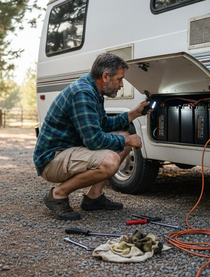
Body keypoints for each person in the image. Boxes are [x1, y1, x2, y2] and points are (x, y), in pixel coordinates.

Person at [33, 53, 151, 220]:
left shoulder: (93, 91)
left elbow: (103, 125)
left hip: (67, 151)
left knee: (123, 137)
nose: (121, 85)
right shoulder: (82, 93)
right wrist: (127, 139)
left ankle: (93, 197)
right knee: (110, 160)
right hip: (52, 159)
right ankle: (57, 195)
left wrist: (133, 114)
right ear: (105, 76)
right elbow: (94, 140)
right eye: (119, 79)